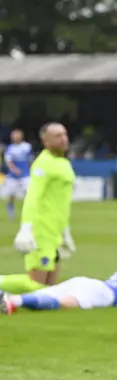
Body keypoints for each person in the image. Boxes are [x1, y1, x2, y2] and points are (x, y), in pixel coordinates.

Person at [0, 123, 76, 295]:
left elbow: (61, 202)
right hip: (41, 231)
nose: (63, 138)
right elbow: (32, 197)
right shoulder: (43, 164)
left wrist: (65, 231)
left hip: (55, 232)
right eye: (57, 136)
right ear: (45, 141)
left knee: (49, 292)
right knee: (36, 286)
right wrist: (26, 229)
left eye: (64, 134)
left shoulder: (64, 163)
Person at [0, 266, 117, 315]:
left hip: (88, 281)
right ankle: (13, 302)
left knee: (48, 293)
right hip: (106, 294)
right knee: (64, 304)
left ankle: (10, 298)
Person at [2, 129, 32, 220]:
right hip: (13, 176)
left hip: (25, 175)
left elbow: (30, 159)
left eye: (17, 135)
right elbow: (8, 161)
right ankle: (11, 212)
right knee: (11, 195)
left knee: (29, 194)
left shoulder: (27, 146)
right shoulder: (10, 148)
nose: (16, 137)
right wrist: (14, 169)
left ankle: (29, 212)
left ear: (21, 136)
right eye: (14, 136)